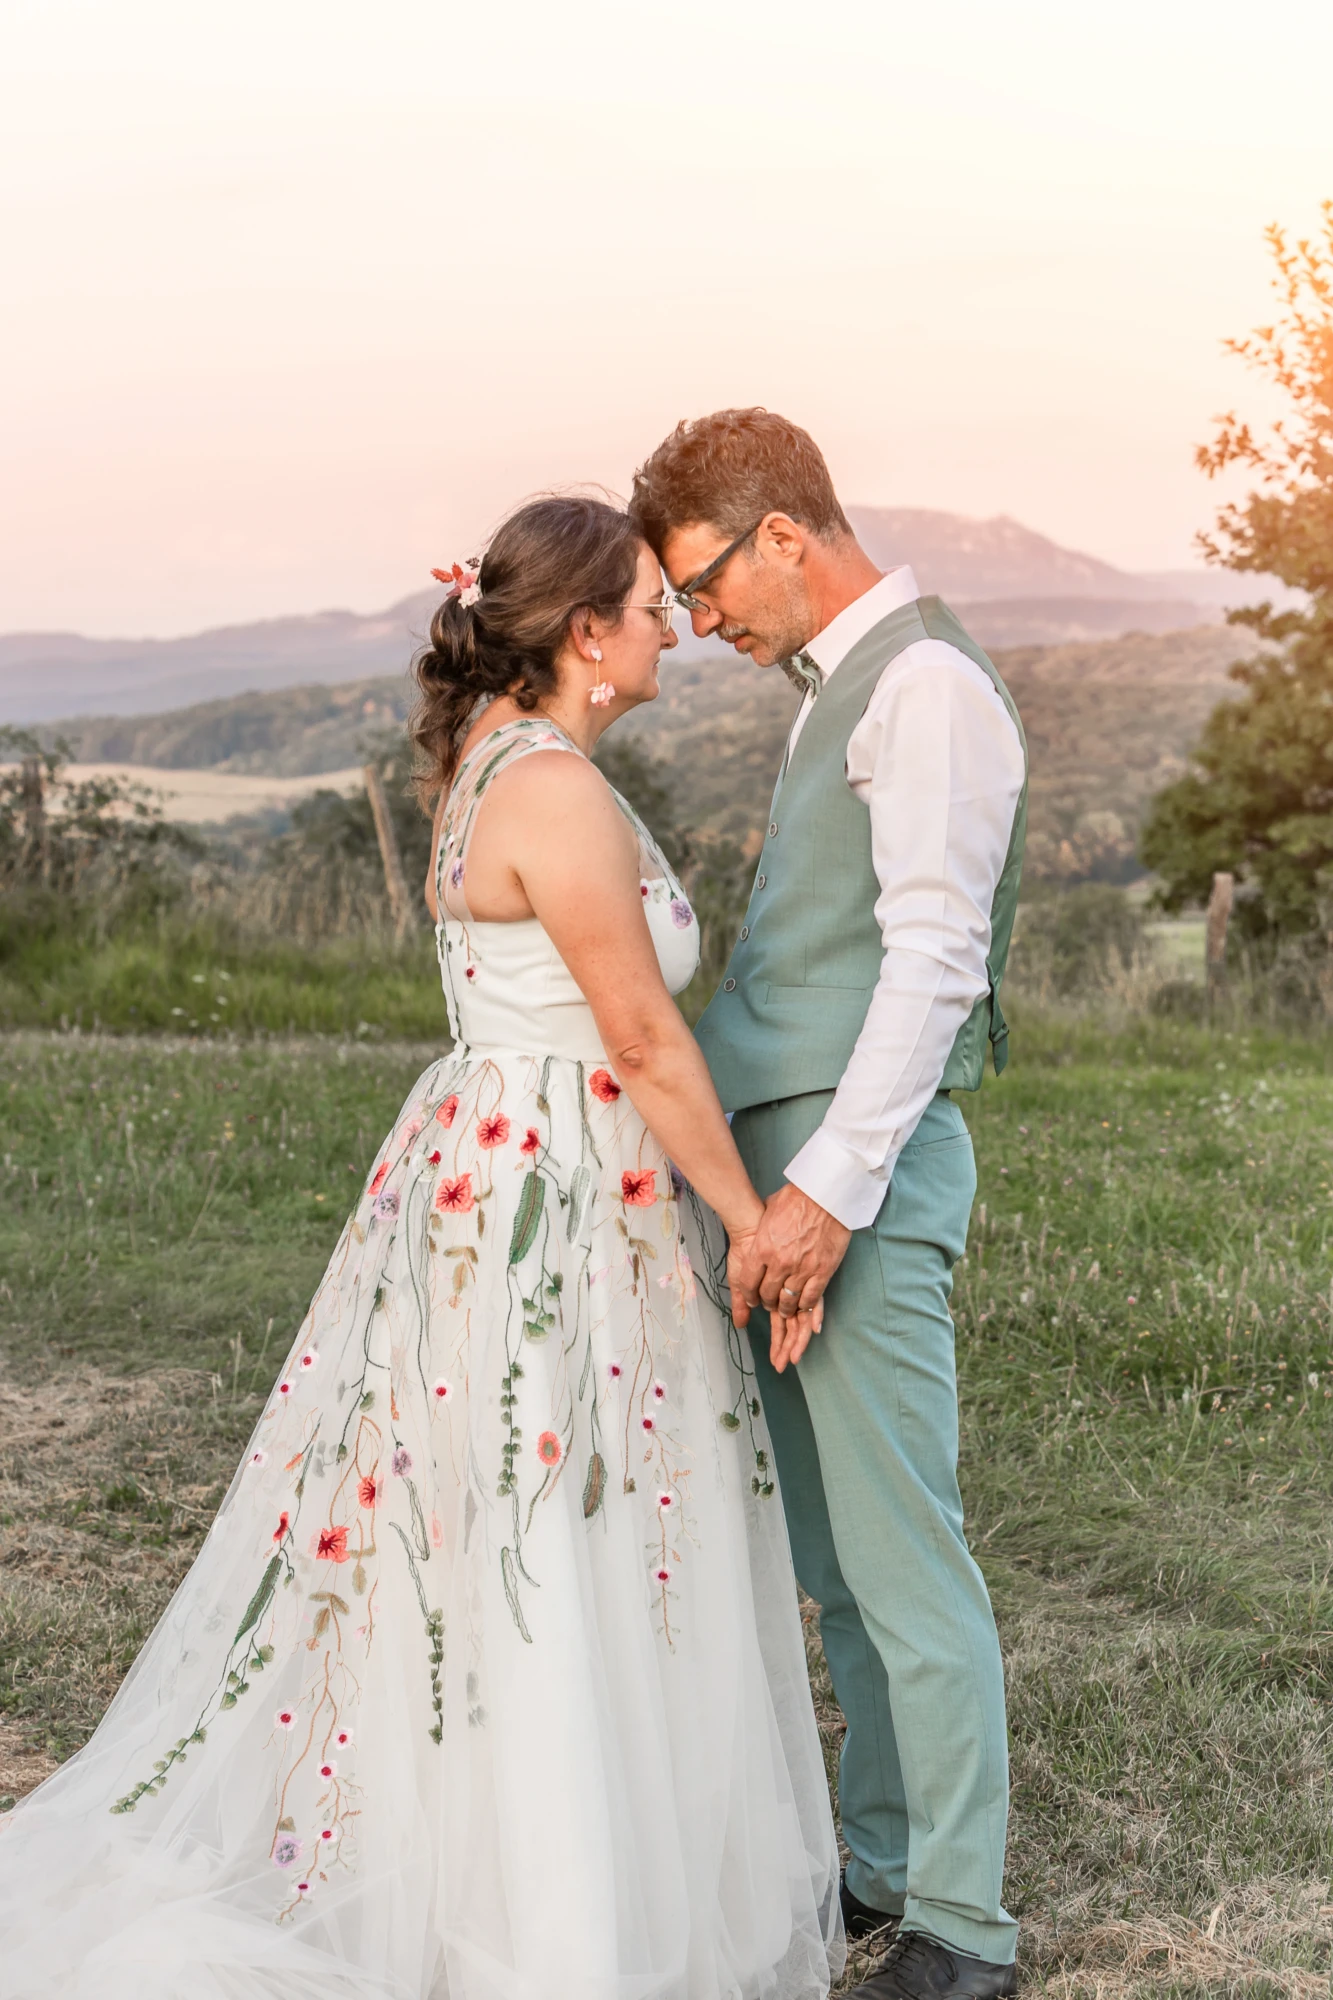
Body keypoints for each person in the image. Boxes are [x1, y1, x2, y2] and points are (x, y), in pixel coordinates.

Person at [0, 494, 843, 2000]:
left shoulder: (507, 763)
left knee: (520, 1521)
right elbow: (642, 1038)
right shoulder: (554, 792)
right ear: (587, 634)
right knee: (537, 1516)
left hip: (515, 1169)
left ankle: (531, 1874)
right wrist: (748, 1217)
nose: (673, 628)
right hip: (554, 1197)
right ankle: (553, 1920)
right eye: (654, 604)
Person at [631, 412, 1029, 2000]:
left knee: (905, 1559)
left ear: (784, 533)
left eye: (707, 583)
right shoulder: (834, 698)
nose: (701, 621)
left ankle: (966, 1928)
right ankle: (883, 1863)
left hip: (845, 1194)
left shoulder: (925, 687)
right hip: (785, 1192)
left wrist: (823, 1202)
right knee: (840, 1565)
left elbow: (935, 964)